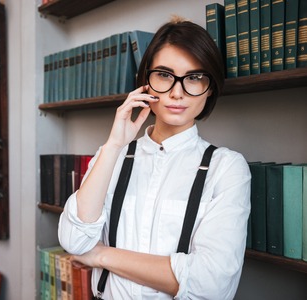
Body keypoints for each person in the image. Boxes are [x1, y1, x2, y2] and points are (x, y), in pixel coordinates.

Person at [58, 17, 251, 300]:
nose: (177, 92)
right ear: (145, 83)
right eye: (164, 74)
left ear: (210, 89)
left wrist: (100, 255)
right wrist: (114, 145)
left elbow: (212, 283)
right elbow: (74, 241)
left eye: (195, 78)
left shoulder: (226, 168)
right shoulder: (112, 155)